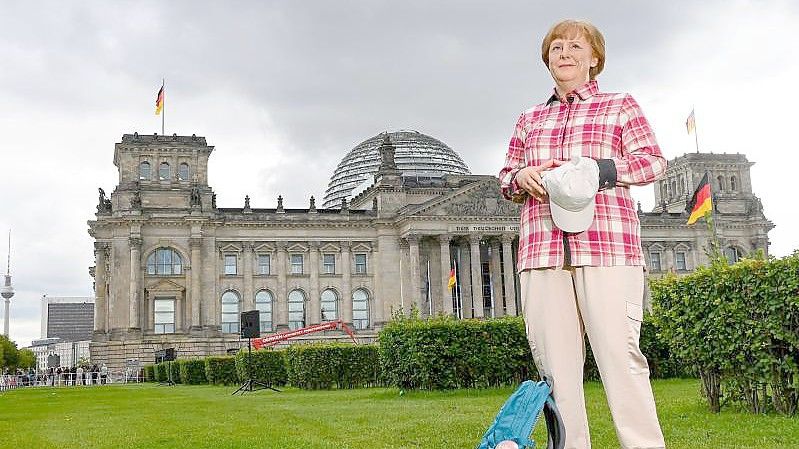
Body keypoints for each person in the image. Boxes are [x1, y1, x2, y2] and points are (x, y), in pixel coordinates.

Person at [499, 19, 666, 449]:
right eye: (556, 47)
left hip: (608, 250)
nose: (565, 53)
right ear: (547, 59)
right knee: (555, 372)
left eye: (575, 46)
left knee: (622, 362)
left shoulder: (619, 105)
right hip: (542, 253)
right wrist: (523, 175)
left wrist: (599, 171)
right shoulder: (529, 117)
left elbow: (652, 162)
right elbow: (505, 176)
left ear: (595, 58)